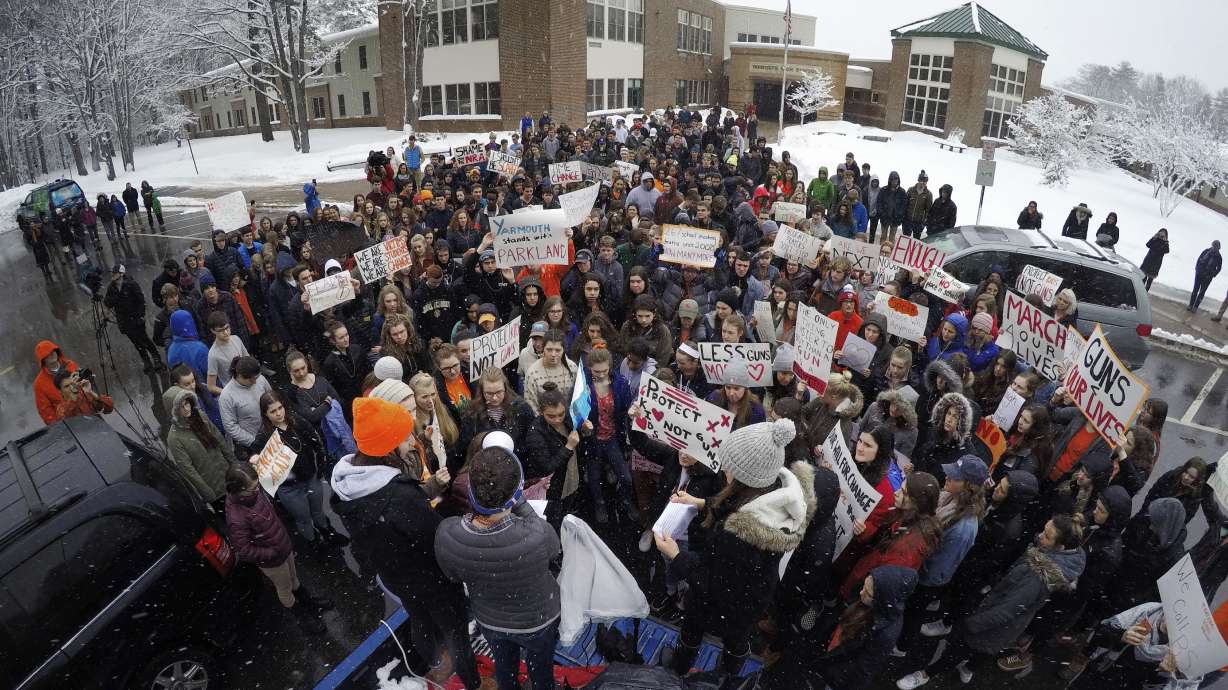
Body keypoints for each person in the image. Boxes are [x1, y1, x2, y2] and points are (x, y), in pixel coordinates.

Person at [331, 397, 480, 688]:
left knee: (420, 620)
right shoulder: (399, 497)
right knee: (456, 631)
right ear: (387, 447)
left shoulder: (347, 481)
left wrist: (425, 491)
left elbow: (385, 512)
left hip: (397, 576)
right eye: (403, 438)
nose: (411, 443)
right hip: (431, 577)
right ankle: (473, 682)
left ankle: (433, 664)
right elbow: (436, 537)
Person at [655, 418, 814, 678]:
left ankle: (679, 670)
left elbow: (711, 582)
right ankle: (730, 675)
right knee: (738, 638)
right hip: (751, 600)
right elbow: (736, 507)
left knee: (694, 627)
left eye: (730, 465)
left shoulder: (739, 536)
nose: (724, 469)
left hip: (721, 602)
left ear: (745, 476)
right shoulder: (774, 492)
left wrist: (676, 555)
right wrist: (701, 503)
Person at [895, 515, 1086, 689]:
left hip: (992, 624)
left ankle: (926, 674)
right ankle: (968, 669)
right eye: (1044, 530)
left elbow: (1007, 610)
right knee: (982, 652)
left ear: (1060, 547)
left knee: (957, 652)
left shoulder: (1038, 577)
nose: (1039, 536)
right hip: (1007, 627)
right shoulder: (1056, 559)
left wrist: (972, 624)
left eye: (1047, 536)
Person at [435, 447, 563, 690]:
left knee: (505, 668)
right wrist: (524, 507)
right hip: (538, 620)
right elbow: (554, 552)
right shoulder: (536, 533)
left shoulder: (447, 534)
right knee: (541, 671)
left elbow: (452, 575)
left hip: (491, 619)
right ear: (516, 494)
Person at [226, 462, 332, 636]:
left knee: (293, 578)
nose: (257, 490)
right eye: (252, 488)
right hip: (272, 560)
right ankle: (303, 619)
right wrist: (271, 553)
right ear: (238, 490)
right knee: (284, 588)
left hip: (283, 546)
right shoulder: (237, 517)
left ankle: (309, 604)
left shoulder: (253, 494)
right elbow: (244, 550)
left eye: (257, 485)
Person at [165, 387, 234, 504]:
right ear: (174, 410)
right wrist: (210, 494)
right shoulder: (174, 438)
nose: (186, 408)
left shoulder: (200, 416)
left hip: (229, 475)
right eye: (181, 407)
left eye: (187, 403)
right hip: (214, 487)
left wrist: (234, 463)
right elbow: (189, 471)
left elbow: (220, 440)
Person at [104, 264, 165, 372]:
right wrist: (115, 297)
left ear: (121, 274)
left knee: (144, 339)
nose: (112, 275)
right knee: (136, 342)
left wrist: (141, 316)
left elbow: (141, 301)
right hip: (124, 322)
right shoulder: (111, 287)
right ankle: (146, 360)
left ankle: (156, 358)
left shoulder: (131, 284)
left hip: (136, 319)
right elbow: (107, 302)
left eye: (115, 272)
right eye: (112, 273)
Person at [219, 356, 273, 458]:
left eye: (256, 377)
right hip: (252, 440)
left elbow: (272, 397)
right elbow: (230, 426)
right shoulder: (227, 396)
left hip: (271, 429)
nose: (255, 382)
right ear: (239, 375)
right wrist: (252, 441)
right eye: (250, 379)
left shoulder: (260, 379)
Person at [33, 339, 79, 424]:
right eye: (47, 353)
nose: (52, 354)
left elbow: (85, 389)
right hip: (68, 422)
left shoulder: (70, 364)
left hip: (87, 413)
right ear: (42, 360)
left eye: (53, 351)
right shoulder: (39, 384)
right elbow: (46, 412)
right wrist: (62, 428)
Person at [1191, 240, 1223, 312]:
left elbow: (1219, 268)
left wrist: (1212, 275)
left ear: (1219, 248)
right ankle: (1190, 305)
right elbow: (1199, 260)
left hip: (1208, 277)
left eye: (1216, 246)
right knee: (1195, 290)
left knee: (1201, 292)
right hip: (1199, 274)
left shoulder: (1219, 257)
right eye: (1213, 245)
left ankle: (1195, 307)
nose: (1214, 247)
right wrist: (1197, 269)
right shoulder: (1206, 251)